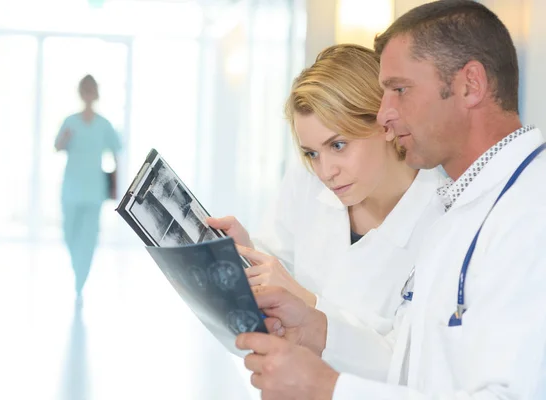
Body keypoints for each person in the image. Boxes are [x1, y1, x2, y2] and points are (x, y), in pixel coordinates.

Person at [236, 1, 546, 398]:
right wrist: (313, 326)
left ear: (470, 84)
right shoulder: (464, 203)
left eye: (399, 90)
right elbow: (408, 366)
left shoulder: (531, 214)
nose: (383, 115)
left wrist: (328, 389)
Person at [208, 45, 444, 376]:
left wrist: (303, 301)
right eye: (311, 153)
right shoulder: (306, 182)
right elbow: (279, 265)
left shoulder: (443, 221)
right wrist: (245, 255)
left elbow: (407, 369)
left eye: (338, 145)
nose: (325, 171)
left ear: (386, 124)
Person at [54, 75, 122, 304]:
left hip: (94, 188)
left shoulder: (104, 124)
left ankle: (81, 279)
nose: (88, 93)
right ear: (80, 92)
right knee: (69, 233)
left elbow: (116, 152)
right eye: (85, 89)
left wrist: (117, 185)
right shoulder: (70, 121)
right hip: (72, 186)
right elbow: (57, 147)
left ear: (96, 93)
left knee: (90, 236)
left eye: (92, 89)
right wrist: (64, 139)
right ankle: (77, 268)